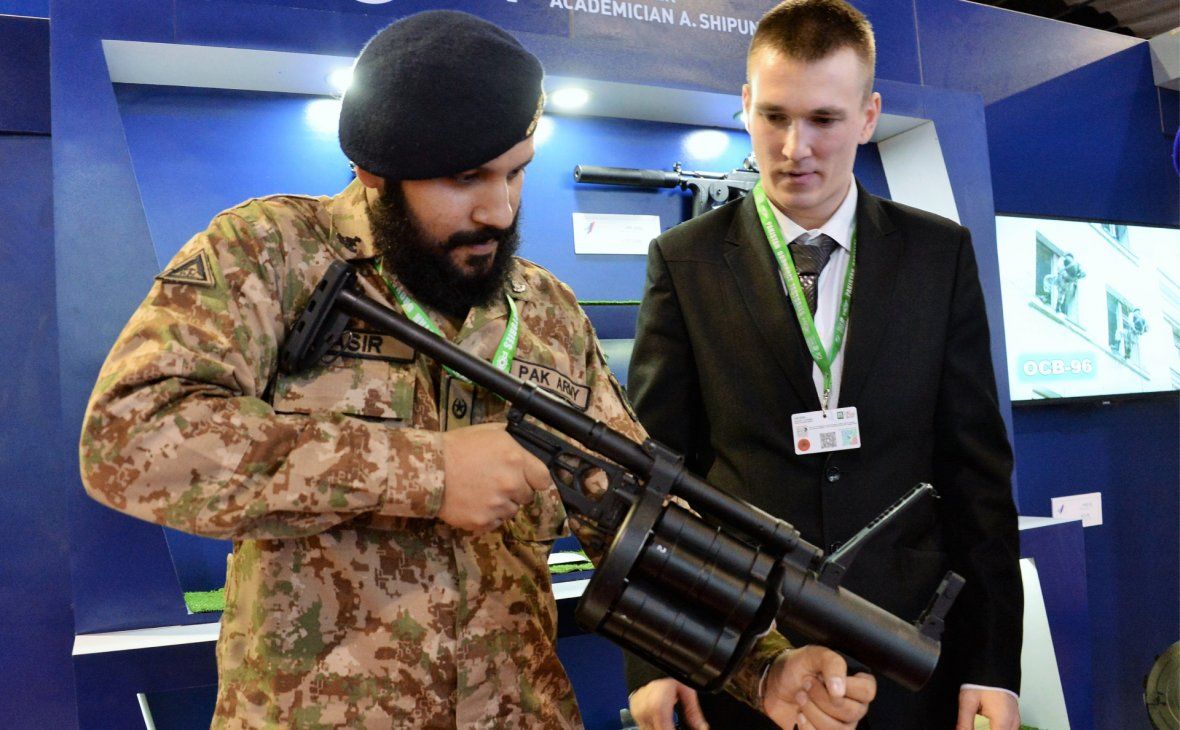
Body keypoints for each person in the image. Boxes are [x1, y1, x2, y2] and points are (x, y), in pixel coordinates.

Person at [79, 10, 874, 729]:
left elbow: (635, 509)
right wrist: (424, 472)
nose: (499, 209)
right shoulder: (272, 254)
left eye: (516, 171)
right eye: (466, 179)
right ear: (375, 171)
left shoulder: (546, 309)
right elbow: (127, 437)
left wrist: (763, 665)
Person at [624, 1, 1023, 729]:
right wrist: (657, 655)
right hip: (744, 654)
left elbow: (977, 474)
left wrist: (993, 666)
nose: (794, 147)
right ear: (745, 105)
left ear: (868, 116)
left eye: (824, 119)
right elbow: (658, 473)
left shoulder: (937, 255)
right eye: (774, 116)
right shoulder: (685, 262)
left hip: (907, 654)